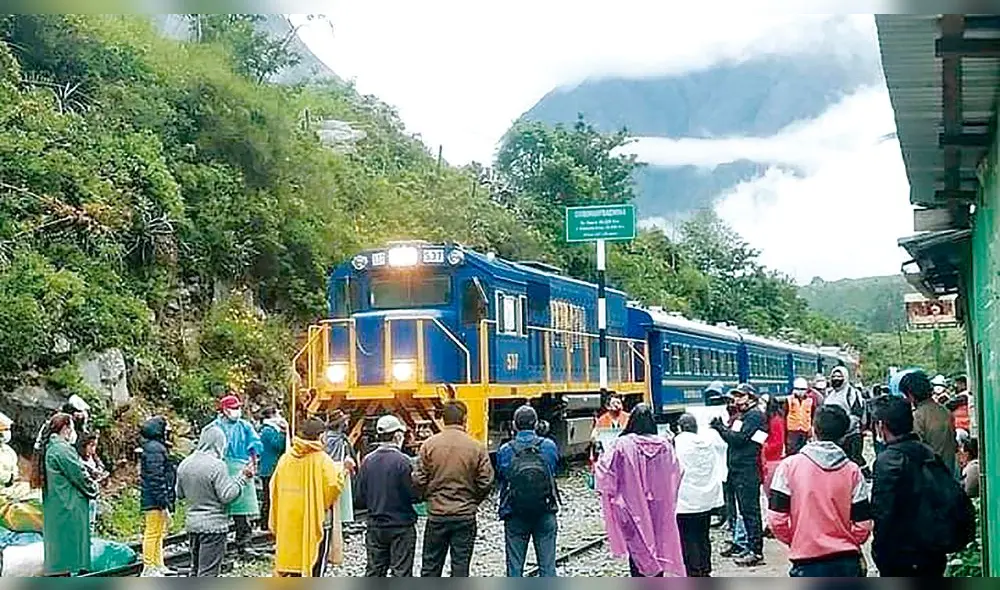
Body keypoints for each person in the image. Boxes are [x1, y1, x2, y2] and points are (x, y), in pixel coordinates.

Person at [767, 405, 873, 577]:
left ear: (813, 430)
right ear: (844, 436)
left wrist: (797, 539)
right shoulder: (852, 471)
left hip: (806, 561)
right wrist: (847, 539)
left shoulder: (789, 466)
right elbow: (863, 524)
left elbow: (776, 519)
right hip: (846, 561)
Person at [596, 403, 684, 577]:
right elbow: (677, 471)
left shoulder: (623, 444)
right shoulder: (665, 445)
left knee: (637, 547)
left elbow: (605, 470)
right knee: (659, 543)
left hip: (631, 506)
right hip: (660, 505)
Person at [871, 396, 954, 577]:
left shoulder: (888, 461)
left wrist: (879, 553)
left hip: (902, 556)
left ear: (881, 426)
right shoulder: (928, 452)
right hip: (933, 551)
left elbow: (883, 513)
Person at [413, 401, 494, 577]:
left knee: (430, 567)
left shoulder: (429, 445)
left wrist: (428, 497)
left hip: (437, 515)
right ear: (464, 419)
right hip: (464, 515)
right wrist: (473, 501)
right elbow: (486, 481)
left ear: (443, 420)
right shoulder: (476, 447)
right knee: (460, 568)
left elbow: (418, 479)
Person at [270, 418, 346, 577]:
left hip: (289, 520)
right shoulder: (322, 460)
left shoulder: (285, 459)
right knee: (314, 567)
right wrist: (343, 471)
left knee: (292, 567)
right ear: (321, 436)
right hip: (313, 520)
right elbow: (332, 487)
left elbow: (273, 487)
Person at [176, 426, 253, 577]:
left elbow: (179, 493)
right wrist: (242, 478)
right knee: (208, 572)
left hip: (192, 524)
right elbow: (227, 496)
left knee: (195, 569)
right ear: (219, 443)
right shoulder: (217, 466)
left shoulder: (185, 464)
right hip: (214, 526)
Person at [496, 405, 559, 577]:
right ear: (537, 424)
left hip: (514, 513)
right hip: (545, 511)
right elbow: (553, 469)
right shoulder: (549, 446)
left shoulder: (505, 450)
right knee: (548, 568)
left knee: (515, 568)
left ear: (514, 425)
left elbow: (502, 475)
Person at [355, 414, 419, 577]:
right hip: (401, 526)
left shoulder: (367, 461)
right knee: (401, 573)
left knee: (375, 572)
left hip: (375, 526)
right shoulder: (404, 461)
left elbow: (359, 498)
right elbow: (414, 495)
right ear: (397, 435)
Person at [711, 383, 766, 567]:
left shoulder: (754, 416)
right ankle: (749, 546)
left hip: (747, 470)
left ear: (750, 397)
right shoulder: (744, 416)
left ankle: (756, 551)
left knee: (750, 512)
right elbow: (735, 437)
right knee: (745, 511)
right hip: (738, 469)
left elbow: (738, 439)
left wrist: (720, 428)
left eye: (740, 395)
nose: (735, 399)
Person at [36, 413, 97, 576]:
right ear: (65, 428)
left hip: (56, 504)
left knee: (59, 551)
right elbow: (78, 475)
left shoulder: (50, 447)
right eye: (72, 427)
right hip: (69, 506)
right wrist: (93, 488)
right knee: (70, 550)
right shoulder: (62, 449)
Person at [207, 395, 262, 556]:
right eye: (234, 408)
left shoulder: (244, 426)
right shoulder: (214, 427)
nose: (237, 411)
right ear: (224, 410)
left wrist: (253, 461)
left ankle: (244, 544)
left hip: (241, 468)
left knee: (242, 512)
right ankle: (218, 547)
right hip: (220, 468)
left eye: (238, 407)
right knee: (219, 510)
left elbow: (255, 444)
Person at [673, 413, 727, 577]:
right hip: (706, 500)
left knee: (688, 539)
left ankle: (693, 572)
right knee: (703, 536)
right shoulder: (708, 443)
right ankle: (705, 569)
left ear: (680, 427)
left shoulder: (678, 443)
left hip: (685, 502)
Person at [899, 370, 957, 476]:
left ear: (910, 395)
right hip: (949, 471)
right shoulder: (945, 411)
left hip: (931, 476)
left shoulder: (918, 416)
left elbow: (916, 450)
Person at [140, 416, 177, 577]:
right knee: (153, 532)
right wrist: (163, 502)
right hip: (154, 499)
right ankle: (149, 566)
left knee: (159, 532)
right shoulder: (156, 449)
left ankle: (158, 563)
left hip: (155, 497)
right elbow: (157, 477)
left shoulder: (152, 447)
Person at [822, 366, 866, 467]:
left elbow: (856, 414)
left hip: (851, 436)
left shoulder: (853, 393)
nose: (836, 379)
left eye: (839, 376)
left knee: (853, 463)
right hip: (833, 437)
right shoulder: (830, 394)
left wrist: (844, 430)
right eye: (834, 376)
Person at [257, 407, 287, 532]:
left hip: (269, 468)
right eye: (278, 414)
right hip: (270, 469)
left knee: (270, 496)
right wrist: (284, 432)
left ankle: (268, 522)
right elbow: (279, 445)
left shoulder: (266, 430)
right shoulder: (268, 431)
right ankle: (265, 523)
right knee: (269, 497)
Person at [79, 433, 109, 531]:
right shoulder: (78, 460)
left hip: (94, 494)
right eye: (91, 445)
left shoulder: (94, 458)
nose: (93, 449)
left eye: (95, 446)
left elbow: (101, 467)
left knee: (91, 521)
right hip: (84, 495)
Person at [761, 395, 785, 499]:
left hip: (772, 460)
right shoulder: (771, 419)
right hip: (769, 459)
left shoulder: (775, 420)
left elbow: (778, 442)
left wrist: (764, 446)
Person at [786, 378, 815, 455]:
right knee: (792, 451)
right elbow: (785, 415)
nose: (800, 391)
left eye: (802, 389)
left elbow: (812, 416)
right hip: (792, 431)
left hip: (805, 430)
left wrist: (811, 430)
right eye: (798, 389)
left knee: (804, 451)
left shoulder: (810, 401)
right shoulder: (789, 400)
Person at [0, 413, 20, 488]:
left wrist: (12, 476)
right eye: (4, 430)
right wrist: (9, 477)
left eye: (7, 430)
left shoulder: (8, 450)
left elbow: (15, 468)